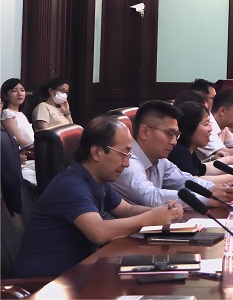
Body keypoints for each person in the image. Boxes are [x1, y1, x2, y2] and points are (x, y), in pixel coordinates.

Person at [15, 116, 183, 278]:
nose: (127, 163)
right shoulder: (70, 185)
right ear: (96, 152)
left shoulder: (98, 180)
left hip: (78, 274)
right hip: (45, 283)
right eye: (123, 154)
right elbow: (98, 232)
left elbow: (127, 209)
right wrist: (150, 218)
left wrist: (164, 211)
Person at [112, 100, 233, 208]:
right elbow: (151, 197)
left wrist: (214, 189)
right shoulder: (127, 160)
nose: (174, 142)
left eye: (176, 134)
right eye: (169, 133)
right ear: (144, 132)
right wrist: (205, 198)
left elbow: (184, 180)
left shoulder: (160, 159)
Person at [168, 101, 233, 180]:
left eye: (210, 123)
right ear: (190, 127)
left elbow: (204, 169)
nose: (211, 129)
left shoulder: (189, 150)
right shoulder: (179, 152)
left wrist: (230, 161)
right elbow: (195, 180)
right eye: (206, 124)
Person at [1, 78, 34, 150]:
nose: (19, 94)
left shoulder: (21, 114)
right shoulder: (7, 114)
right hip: (23, 152)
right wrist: (38, 147)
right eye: (14, 91)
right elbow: (18, 140)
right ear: (5, 95)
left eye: (22, 90)